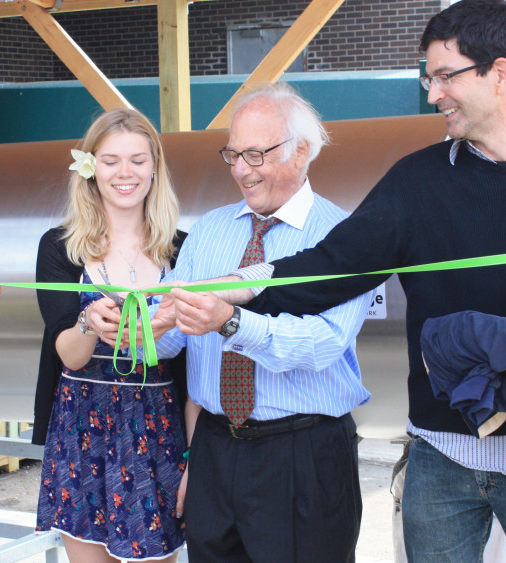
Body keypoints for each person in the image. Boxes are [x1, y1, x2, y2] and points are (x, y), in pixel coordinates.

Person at [171, 1, 506, 561]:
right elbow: (329, 267)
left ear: (499, 74)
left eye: (445, 76)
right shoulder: (417, 181)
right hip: (440, 460)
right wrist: (231, 289)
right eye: (429, 78)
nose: (433, 94)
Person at [153, 82, 373, 562]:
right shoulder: (209, 230)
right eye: (232, 154)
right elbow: (172, 341)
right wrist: (147, 326)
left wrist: (230, 322)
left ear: (302, 152)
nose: (239, 171)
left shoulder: (346, 237)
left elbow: (320, 345)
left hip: (303, 454)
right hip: (215, 448)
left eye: (255, 155)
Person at [33, 107, 188, 562]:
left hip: (157, 428)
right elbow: (70, 354)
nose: (126, 173)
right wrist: (88, 322)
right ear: (90, 168)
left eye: (138, 160)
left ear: (155, 167)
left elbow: (199, 356)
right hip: (82, 428)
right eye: (111, 160)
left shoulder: (182, 249)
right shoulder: (60, 247)